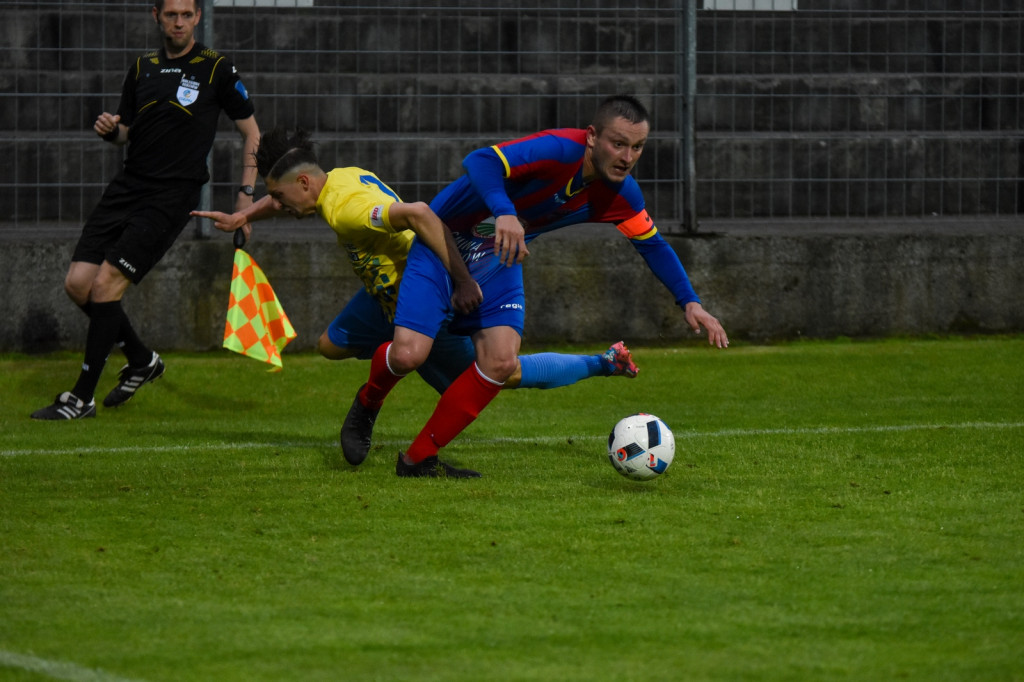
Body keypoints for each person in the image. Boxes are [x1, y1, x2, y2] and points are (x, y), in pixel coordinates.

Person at [191, 127, 640, 462]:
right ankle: (396, 357)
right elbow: (284, 195)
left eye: (279, 197)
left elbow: (420, 214)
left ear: (305, 184)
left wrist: (462, 281)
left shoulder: (345, 209)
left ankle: (603, 362)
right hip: (380, 297)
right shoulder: (338, 178)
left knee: (502, 372)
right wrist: (244, 215)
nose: (279, 205)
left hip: (423, 295)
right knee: (329, 346)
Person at [349, 94, 729, 478]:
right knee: (407, 356)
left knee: (501, 362)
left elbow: (653, 245)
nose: (627, 157)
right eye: (619, 144)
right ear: (592, 136)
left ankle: (418, 460)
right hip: (443, 244)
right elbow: (480, 160)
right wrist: (505, 212)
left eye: (637, 147)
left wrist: (690, 301)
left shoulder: (621, 194)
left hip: (498, 256)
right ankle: (369, 401)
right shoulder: (559, 149)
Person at [31, 0, 260, 420]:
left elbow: (253, 133)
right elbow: (127, 132)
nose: (179, 22)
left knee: (105, 285)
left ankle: (81, 399)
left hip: (172, 195)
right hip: (128, 185)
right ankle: (141, 360)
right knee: (78, 284)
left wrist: (245, 196)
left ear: (198, 17)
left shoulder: (216, 68)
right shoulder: (142, 67)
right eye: (171, 15)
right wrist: (111, 130)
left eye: (186, 15)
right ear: (156, 16)